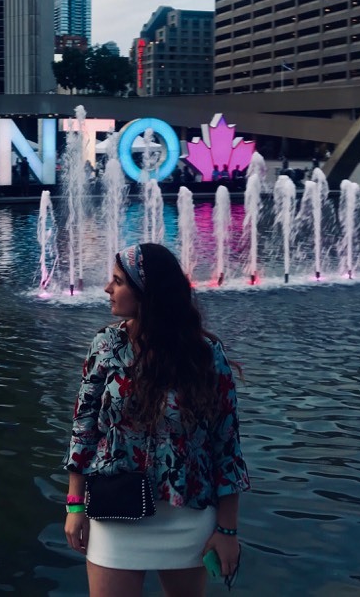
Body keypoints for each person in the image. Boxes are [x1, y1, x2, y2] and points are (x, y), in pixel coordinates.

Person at [64, 243, 250, 597]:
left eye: (118, 281)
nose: (107, 289)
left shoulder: (206, 357)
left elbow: (226, 446)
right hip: (115, 511)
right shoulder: (106, 346)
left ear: (147, 293)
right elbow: (83, 428)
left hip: (188, 516)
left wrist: (227, 530)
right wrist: (75, 504)